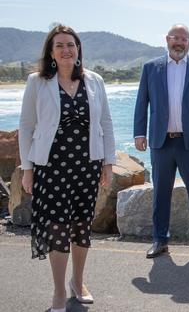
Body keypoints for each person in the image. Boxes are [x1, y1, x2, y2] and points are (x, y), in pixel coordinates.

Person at [19, 24, 116, 312]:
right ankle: (59, 291)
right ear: (51, 52)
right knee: (58, 227)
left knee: (81, 227)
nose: (66, 50)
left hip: (87, 164)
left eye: (71, 45)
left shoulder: (95, 80)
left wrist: (108, 163)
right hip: (51, 166)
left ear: (78, 50)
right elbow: (27, 125)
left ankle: (78, 281)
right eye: (59, 45)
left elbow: (106, 123)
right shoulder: (37, 82)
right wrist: (27, 168)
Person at [133, 24, 189, 258]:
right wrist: (139, 133)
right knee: (161, 193)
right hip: (161, 142)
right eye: (176, 38)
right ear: (167, 39)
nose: (179, 42)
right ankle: (160, 240)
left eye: (184, 39)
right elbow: (142, 102)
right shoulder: (151, 68)